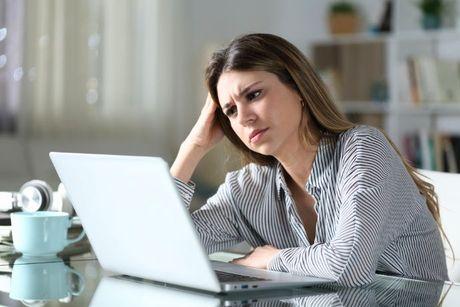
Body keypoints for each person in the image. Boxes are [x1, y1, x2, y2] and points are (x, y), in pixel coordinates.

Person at [170, 33, 448, 287]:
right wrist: (192, 147)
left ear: (299, 89)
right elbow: (165, 248)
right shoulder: (248, 188)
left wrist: (273, 258)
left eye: (253, 95)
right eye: (230, 110)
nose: (243, 118)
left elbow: (350, 268)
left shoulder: (363, 150)